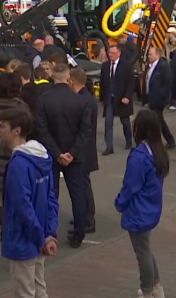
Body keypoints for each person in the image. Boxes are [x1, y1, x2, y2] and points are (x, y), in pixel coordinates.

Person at [0, 107, 58, 298]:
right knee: (39, 288)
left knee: (24, 292)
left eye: (1, 126)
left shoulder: (18, 164)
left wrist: (40, 238)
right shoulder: (43, 156)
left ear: (16, 130)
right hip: (40, 236)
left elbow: (22, 206)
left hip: (23, 240)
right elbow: (51, 198)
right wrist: (49, 234)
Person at [35, 64, 92, 248]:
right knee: (77, 194)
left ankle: (49, 232)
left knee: (51, 194)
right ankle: (79, 233)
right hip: (74, 157)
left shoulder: (44, 100)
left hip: (51, 156)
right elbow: (85, 131)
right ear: (68, 79)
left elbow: (41, 130)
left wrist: (57, 153)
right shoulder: (80, 101)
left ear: (52, 77)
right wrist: (72, 153)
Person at [115, 109, 169, 298]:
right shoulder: (158, 151)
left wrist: (119, 203)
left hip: (139, 211)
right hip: (151, 208)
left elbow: (130, 185)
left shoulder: (140, 156)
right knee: (145, 248)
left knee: (142, 253)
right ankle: (156, 285)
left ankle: (147, 291)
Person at [0, 72, 31, 229]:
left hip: (0, 148)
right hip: (16, 147)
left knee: (0, 183)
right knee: (16, 183)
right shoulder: (20, 106)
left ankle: (0, 215)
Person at [70, 68, 99, 233]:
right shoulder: (87, 98)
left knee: (83, 185)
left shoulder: (84, 100)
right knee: (82, 184)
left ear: (72, 81)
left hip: (84, 149)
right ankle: (83, 216)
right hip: (86, 147)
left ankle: (88, 219)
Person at [99, 45, 136, 155]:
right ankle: (109, 147)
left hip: (122, 98)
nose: (110, 55)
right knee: (108, 122)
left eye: (113, 53)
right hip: (109, 98)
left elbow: (131, 83)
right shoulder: (105, 66)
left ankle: (129, 141)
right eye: (109, 53)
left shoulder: (126, 65)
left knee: (125, 121)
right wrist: (102, 98)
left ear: (118, 54)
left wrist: (127, 96)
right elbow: (102, 83)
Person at [143, 46, 176, 149]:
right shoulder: (150, 65)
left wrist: (161, 96)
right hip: (151, 97)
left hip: (158, 99)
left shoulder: (163, 66)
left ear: (157, 55)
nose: (149, 56)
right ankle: (167, 140)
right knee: (157, 119)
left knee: (156, 119)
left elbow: (167, 83)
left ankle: (160, 140)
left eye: (151, 54)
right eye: (148, 54)